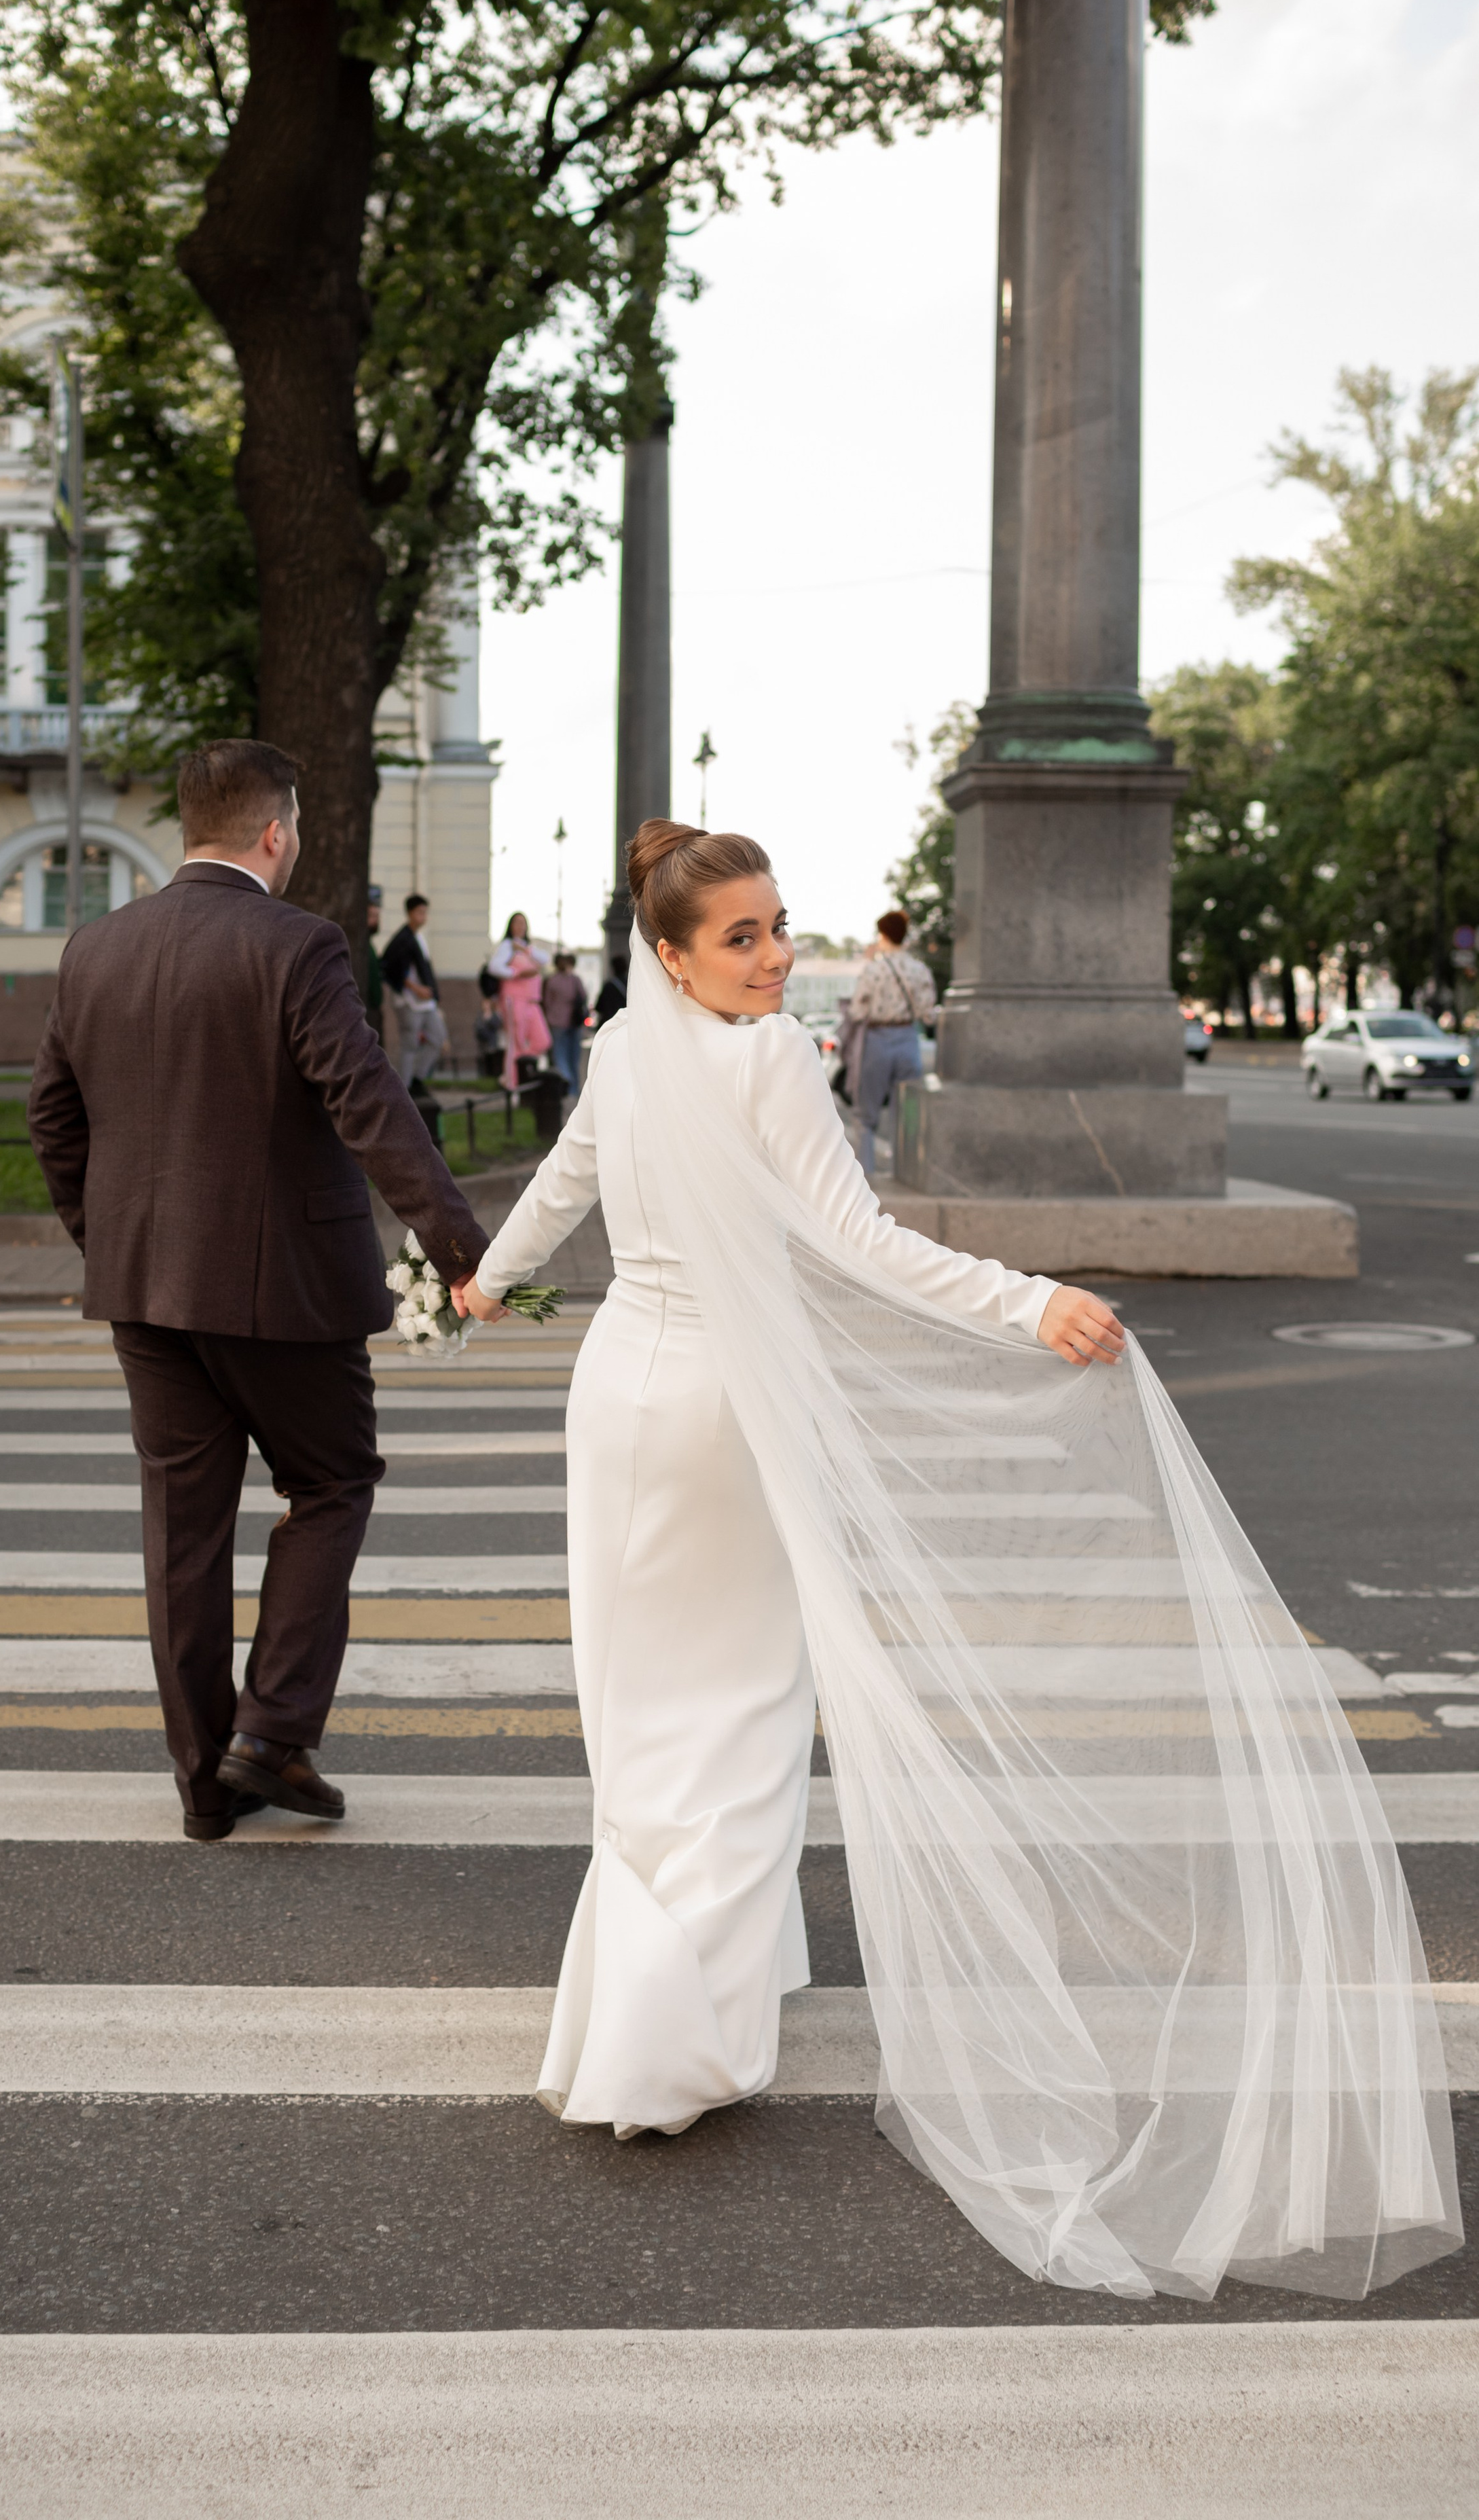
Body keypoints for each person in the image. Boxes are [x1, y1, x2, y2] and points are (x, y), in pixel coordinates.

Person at [448, 817, 1459, 2303]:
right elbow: (861, 1243)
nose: (778, 955)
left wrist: (486, 1279)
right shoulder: (769, 1061)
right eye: (741, 938)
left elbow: (558, 1197)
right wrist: (1024, 1298)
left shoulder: (619, 1051)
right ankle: (675, 2048)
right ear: (674, 954)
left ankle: (645, 2014)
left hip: (618, 1398)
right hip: (725, 1410)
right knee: (732, 1711)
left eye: (778, 926)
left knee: (641, 1704)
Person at [28, 739, 488, 1840]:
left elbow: (53, 1119)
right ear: (274, 832)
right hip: (286, 1289)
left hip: (143, 1290)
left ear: (193, 825)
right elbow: (367, 1101)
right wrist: (462, 1251)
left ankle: (204, 1785)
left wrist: (111, 1242)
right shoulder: (299, 946)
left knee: (183, 1534)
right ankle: (272, 1735)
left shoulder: (97, 945)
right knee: (330, 1485)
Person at [844, 906, 935, 1173]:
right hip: (908, 1039)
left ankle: (866, 1179)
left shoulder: (874, 971)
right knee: (906, 1113)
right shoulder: (920, 970)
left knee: (865, 1114)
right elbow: (927, 1015)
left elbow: (858, 1011)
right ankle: (904, 1174)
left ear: (884, 935)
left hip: (878, 1040)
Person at [380, 893, 450, 1094]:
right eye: (420, 912)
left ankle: (418, 1078)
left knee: (438, 1038)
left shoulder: (419, 938)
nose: (423, 916)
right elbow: (391, 968)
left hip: (426, 1003)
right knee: (409, 1045)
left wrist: (431, 993)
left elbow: (424, 968)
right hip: (410, 1002)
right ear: (410, 913)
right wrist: (415, 988)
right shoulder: (402, 939)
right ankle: (406, 1089)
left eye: (425, 912)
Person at [489, 910, 552, 1092]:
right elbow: (495, 967)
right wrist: (517, 973)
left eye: (523, 923)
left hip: (532, 1002)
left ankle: (519, 1066)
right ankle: (511, 1085)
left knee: (542, 1041)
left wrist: (525, 949)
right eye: (516, 923)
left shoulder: (526, 947)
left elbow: (545, 959)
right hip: (514, 1000)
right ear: (510, 926)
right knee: (514, 1043)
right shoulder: (507, 946)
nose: (520, 926)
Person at [543, 948, 589, 1092]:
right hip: (574, 1022)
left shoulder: (552, 980)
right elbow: (583, 997)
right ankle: (573, 1088)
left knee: (560, 1055)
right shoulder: (575, 980)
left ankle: (567, 1080)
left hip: (557, 1022)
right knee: (574, 1057)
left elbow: (547, 1003)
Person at [365, 886, 384, 1043]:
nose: (376, 920)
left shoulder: (369, 946)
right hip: (369, 1007)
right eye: (372, 916)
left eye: (377, 916)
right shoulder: (366, 949)